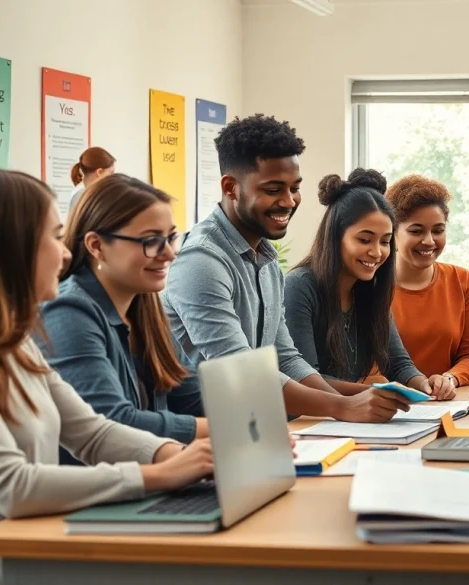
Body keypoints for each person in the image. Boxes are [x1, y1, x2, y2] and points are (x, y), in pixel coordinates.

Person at [0, 169, 213, 583]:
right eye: (54, 238)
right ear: (9, 248)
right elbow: (11, 487)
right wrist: (157, 474)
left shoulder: (17, 345)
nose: (65, 254)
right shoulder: (64, 313)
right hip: (5, 562)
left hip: (35, 551)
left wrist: (180, 456)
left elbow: (92, 432)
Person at [161, 114, 410, 423]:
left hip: (254, 424)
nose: (289, 201)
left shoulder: (265, 260)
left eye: (294, 188)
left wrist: (344, 406)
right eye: (273, 189)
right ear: (230, 187)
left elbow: (287, 359)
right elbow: (241, 370)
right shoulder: (201, 260)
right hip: (200, 433)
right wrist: (341, 407)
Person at [40, 174, 207, 449]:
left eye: (170, 238)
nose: (169, 254)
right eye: (151, 240)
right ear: (96, 246)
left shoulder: (146, 305)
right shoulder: (67, 312)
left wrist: (248, 414)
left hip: (152, 469)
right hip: (103, 475)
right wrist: (226, 426)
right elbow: (113, 423)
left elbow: (190, 398)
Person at [284, 170, 452, 399]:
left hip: (345, 415)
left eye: (385, 241)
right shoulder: (299, 287)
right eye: (364, 240)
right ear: (335, 236)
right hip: (306, 416)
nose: (377, 252)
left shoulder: (370, 291)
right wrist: (376, 393)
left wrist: (425, 385)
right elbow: (305, 378)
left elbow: (398, 364)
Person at [385, 174, 469, 389]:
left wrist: (449, 379)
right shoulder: (371, 285)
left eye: (438, 230)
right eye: (416, 231)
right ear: (393, 232)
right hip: (390, 400)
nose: (429, 241)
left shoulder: (461, 280)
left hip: (447, 400)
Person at [68, 146, 116, 211]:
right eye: (111, 172)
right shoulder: (82, 195)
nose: (113, 177)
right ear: (99, 172)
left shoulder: (88, 193)